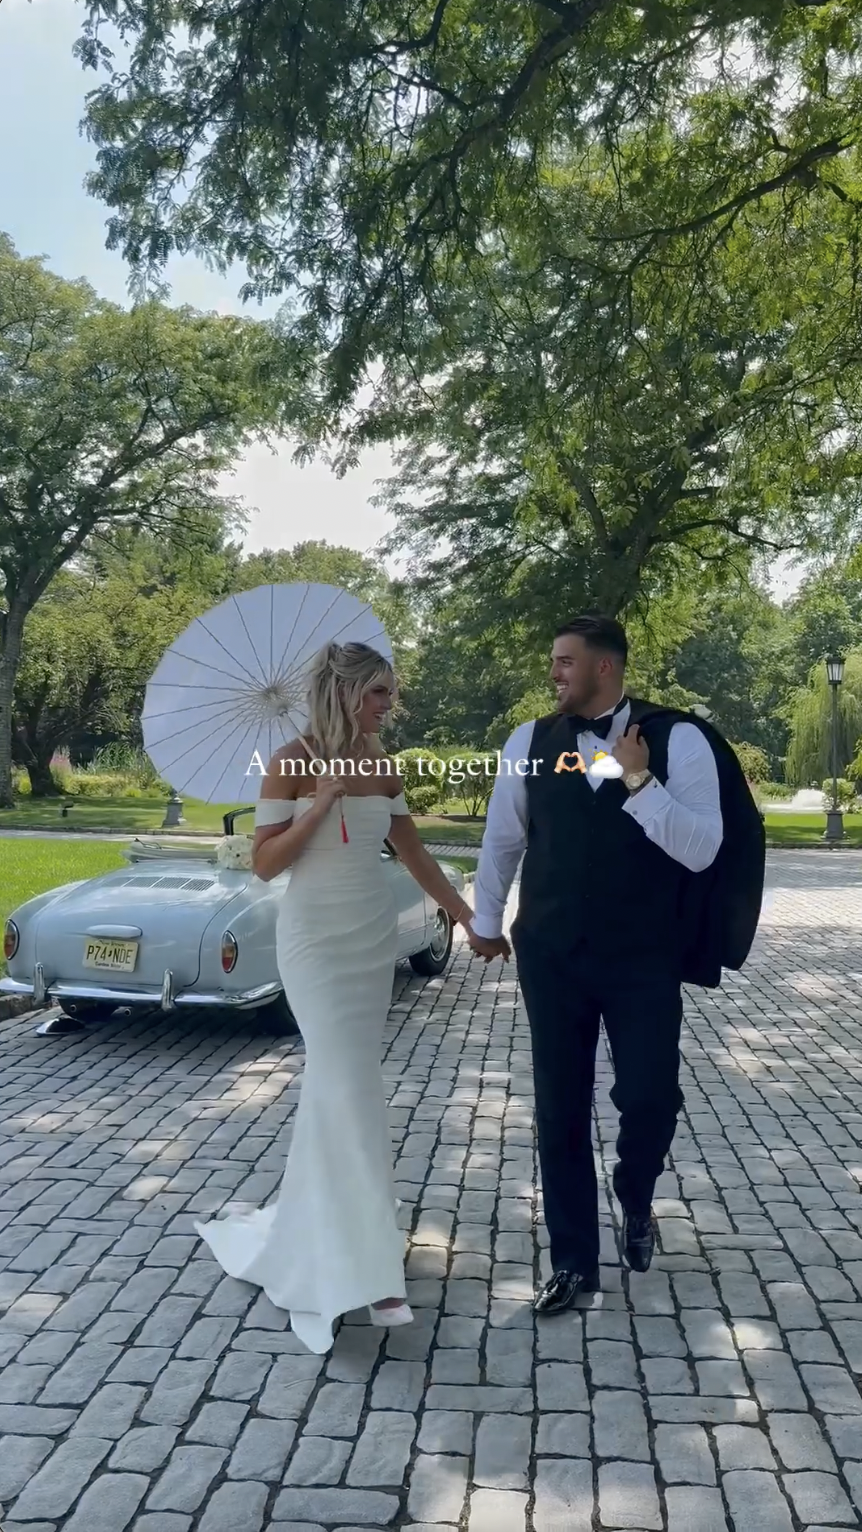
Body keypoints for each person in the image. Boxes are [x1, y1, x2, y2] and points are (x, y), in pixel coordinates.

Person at [195, 640, 475, 1353]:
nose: (390, 704)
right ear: (347, 692)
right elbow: (262, 865)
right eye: (380, 692)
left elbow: (414, 854)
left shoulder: (384, 765)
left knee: (346, 1086)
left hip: (368, 942)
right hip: (314, 942)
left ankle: (353, 1235)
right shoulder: (290, 761)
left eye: (391, 692)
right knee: (346, 1083)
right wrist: (316, 809)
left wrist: (470, 917)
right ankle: (370, 1265)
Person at [467, 614, 723, 1314]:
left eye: (565, 662)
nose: (553, 672)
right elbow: (502, 840)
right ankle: (574, 1260)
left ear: (604, 668)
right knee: (559, 1103)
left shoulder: (679, 741)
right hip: (550, 950)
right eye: (553, 660)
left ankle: (635, 1191)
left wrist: (641, 783)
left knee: (648, 1096)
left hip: (642, 955)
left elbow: (702, 848)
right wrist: (485, 920)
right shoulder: (531, 741)